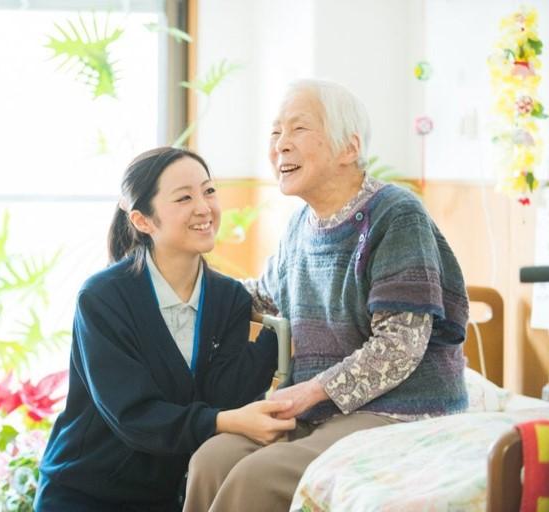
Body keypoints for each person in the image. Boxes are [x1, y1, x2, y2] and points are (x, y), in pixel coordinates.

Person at [183, 79, 470, 512]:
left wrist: (307, 393)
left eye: (297, 129)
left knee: (255, 479)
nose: (280, 144)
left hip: (401, 408)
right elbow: (262, 298)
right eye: (275, 131)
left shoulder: (396, 215)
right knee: (210, 459)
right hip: (326, 408)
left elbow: (398, 348)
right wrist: (185, 282)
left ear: (349, 148)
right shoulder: (302, 224)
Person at [34, 147, 298, 512]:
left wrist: (291, 322)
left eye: (208, 191)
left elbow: (225, 392)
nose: (204, 207)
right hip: (84, 493)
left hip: (166, 497)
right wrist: (225, 421)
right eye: (184, 197)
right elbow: (134, 416)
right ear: (144, 220)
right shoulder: (103, 299)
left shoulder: (227, 298)